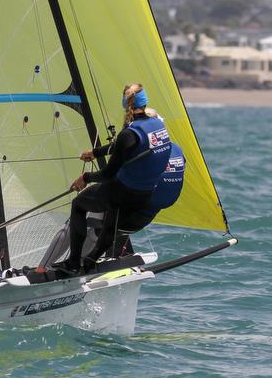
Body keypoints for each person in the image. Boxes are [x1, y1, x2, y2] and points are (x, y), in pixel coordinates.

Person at [40, 83, 173, 275]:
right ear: (145, 102)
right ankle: (91, 260)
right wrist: (95, 152)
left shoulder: (129, 133)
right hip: (145, 195)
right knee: (112, 215)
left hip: (123, 192)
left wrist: (86, 177)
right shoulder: (158, 126)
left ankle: (73, 263)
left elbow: (108, 173)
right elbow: (125, 147)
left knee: (79, 204)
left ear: (124, 102)